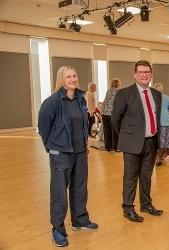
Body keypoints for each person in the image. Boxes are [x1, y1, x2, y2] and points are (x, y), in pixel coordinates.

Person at [38, 66, 98, 247]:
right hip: (61, 153)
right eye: (69, 76)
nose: (73, 79)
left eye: (75, 75)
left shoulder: (80, 98)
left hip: (80, 152)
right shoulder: (53, 101)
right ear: (61, 79)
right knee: (59, 194)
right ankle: (57, 229)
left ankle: (80, 221)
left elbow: (84, 121)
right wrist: (53, 147)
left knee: (80, 188)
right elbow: (44, 128)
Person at [111, 60, 163, 223]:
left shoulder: (156, 94)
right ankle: (128, 208)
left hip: (151, 142)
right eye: (141, 72)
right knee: (130, 177)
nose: (144, 75)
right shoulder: (125, 93)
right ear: (135, 74)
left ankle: (146, 204)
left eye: (147, 72)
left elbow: (156, 117)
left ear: (151, 74)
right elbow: (115, 118)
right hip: (132, 143)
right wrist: (127, 135)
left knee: (146, 175)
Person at [153, 83, 169, 161]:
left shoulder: (152, 99)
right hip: (167, 123)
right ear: (162, 90)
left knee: (160, 142)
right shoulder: (166, 97)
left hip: (157, 124)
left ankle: (160, 157)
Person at [101, 78, 121, 153]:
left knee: (107, 130)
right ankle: (116, 147)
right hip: (111, 113)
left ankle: (108, 147)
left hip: (104, 112)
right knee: (115, 130)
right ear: (118, 84)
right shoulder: (118, 91)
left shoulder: (109, 90)